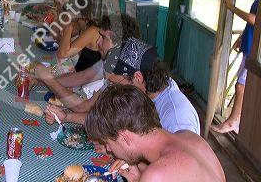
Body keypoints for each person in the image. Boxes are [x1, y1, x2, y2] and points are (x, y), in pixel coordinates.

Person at [43, 37, 200, 136]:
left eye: (114, 83)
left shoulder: (176, 118)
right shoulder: (146, 91)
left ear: (137, 77)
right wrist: (67, 117)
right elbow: (111, 119)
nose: (112, 88)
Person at [85, 86, 225, 182]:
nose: (109, 149)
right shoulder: (190, 137)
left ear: (124, 137)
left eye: (108, 144)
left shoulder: (156, 176)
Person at [212, 0, 261, 134]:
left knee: (241, 86)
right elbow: (251, 25)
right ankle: (236, 121)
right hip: (249, 46)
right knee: (242, 85)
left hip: (256, 51)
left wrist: (230, 7)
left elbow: (254, 20)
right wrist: (242, 38)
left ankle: (233, 122)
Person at [57, 0, 102, 72]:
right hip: (81, 73)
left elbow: (62, 54)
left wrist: (69, 27)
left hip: (88, 80)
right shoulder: (82, 26)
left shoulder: (93, 31)